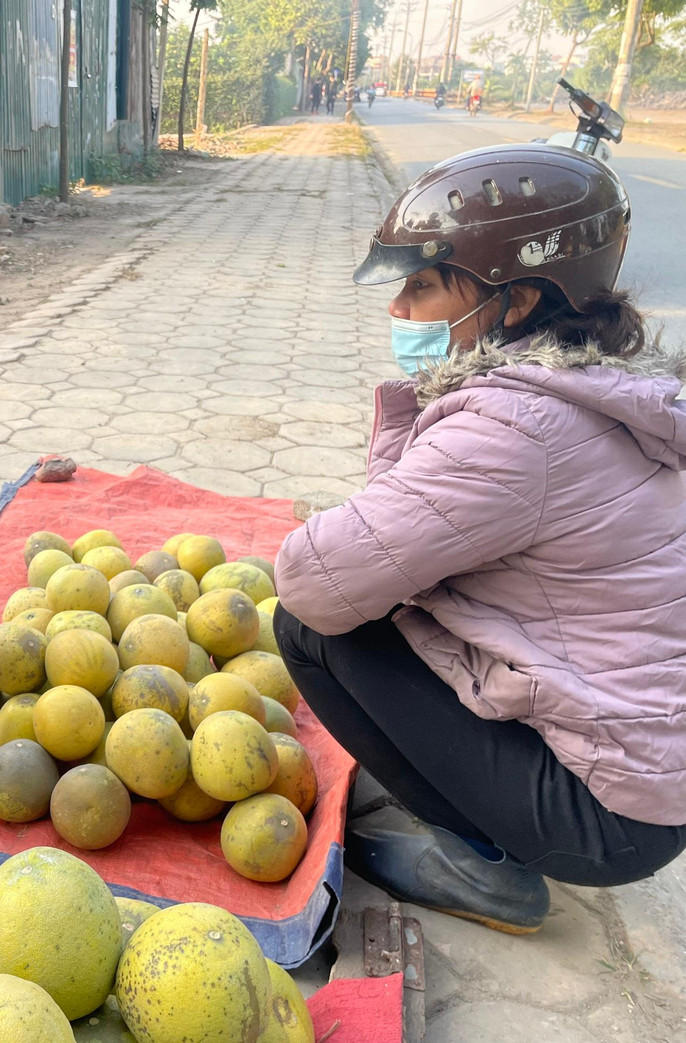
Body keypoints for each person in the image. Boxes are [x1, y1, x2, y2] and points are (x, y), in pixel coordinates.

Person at [273, 144, 686, 934]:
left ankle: (483, 864)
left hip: (609, 818)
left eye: (423, 286)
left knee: (313, 629)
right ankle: (475, 793)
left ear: (519, 301)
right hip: (647, 773)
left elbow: (316, 579)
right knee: (391, 599)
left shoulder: (512, 430)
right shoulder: (590, 383)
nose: (399, 309)